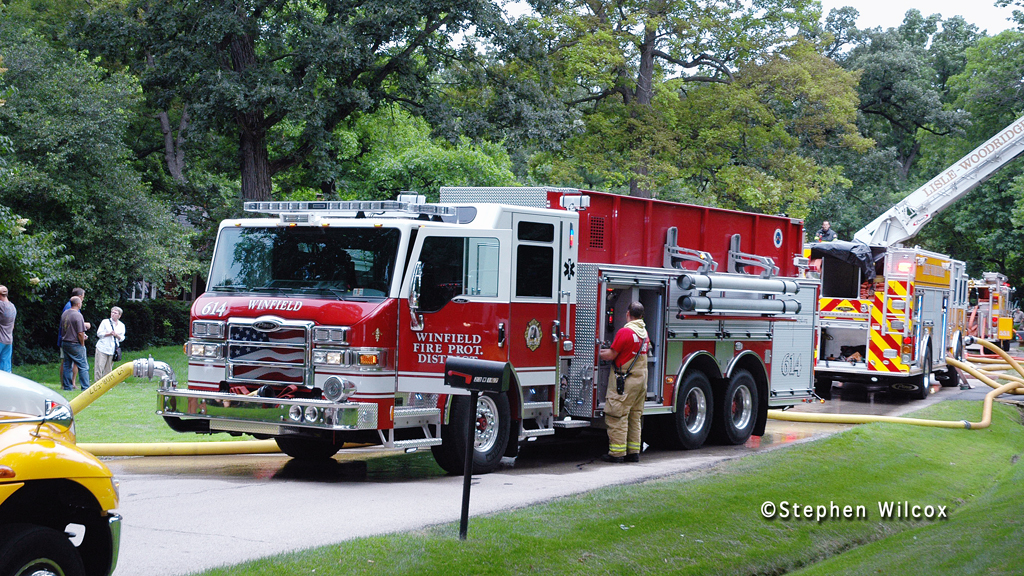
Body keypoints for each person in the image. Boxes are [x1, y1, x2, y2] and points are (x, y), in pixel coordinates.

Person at [598, 301, 649, 463]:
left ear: (628, 314)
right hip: (641, 380)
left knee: (617, 415)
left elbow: (611, 355)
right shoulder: (644, 332)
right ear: (641, 315)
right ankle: (633, 452)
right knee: (635, 416)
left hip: (625, 380)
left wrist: (598, 352)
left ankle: (617, 453)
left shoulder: (625, 332)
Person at [58, 288, 90, 387]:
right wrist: (82, 344)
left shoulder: (65, 313)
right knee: (83, 366)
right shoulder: (78, 315)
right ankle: (85, 387)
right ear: (78, 304)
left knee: (67, 365)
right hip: (74, 343)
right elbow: (80, 333)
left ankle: (67, 386)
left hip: (65, 342)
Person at [94, 306, 125, 381]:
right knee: (99, 367)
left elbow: (122, 338)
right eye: (112, 312)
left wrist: (116, 335)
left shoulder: (121, 325)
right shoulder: (105, 322)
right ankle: (97, 384)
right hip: (102, 348)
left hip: (112, 349)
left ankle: (106, 385)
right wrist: (109, 334)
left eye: (115, 313)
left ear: (119, 315)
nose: (113, 314)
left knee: (108, 369)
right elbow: (99, 334)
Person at [0, 285, 16, 372]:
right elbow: (12, 326)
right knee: (6, 369)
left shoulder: (1, 305)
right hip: (8, 340)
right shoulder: (12, 307)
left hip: (0, 340)